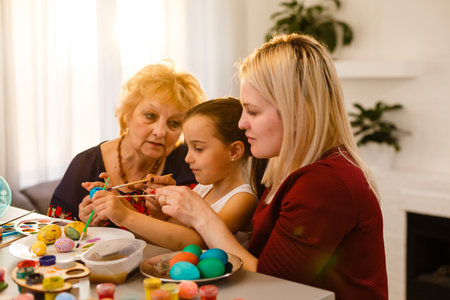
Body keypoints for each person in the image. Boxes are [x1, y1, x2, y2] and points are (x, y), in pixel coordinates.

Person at [154, 34, 388, 300]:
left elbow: (271, 285)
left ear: (297, 111)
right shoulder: (290, 167)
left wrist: (202, 216)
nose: (242, 124)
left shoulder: (324, 183)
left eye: (252, 112)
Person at [48, 61, 207, 227]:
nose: (160, 132)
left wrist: (165, 217)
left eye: (174, 123)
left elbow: (196, 239)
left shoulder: (190, 165)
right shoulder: (85, 165)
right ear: (127, 114)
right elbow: (53, 233)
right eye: (150, 116)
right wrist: (84, 225)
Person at [91, 98, 258, 249]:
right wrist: (119, 206)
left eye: (198, 148)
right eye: (188, 147)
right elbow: (163, 237)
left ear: (234, 151)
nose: (187, 158)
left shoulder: (242, 199)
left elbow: (194, 242)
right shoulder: (202, 189)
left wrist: (125, 216)